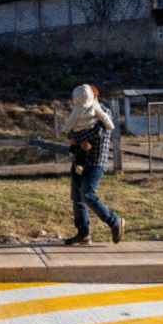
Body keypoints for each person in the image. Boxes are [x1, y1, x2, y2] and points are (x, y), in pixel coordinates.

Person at [61, 84, 125, 245]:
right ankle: (83, 233)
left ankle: (114, 221)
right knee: (77, 197)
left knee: (87, 192)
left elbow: (96, 132)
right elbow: (68, 131)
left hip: (95, 160)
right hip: (79, 160)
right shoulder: (78, 111)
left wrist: (76, 136)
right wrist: (74, 136)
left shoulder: (104, 112)